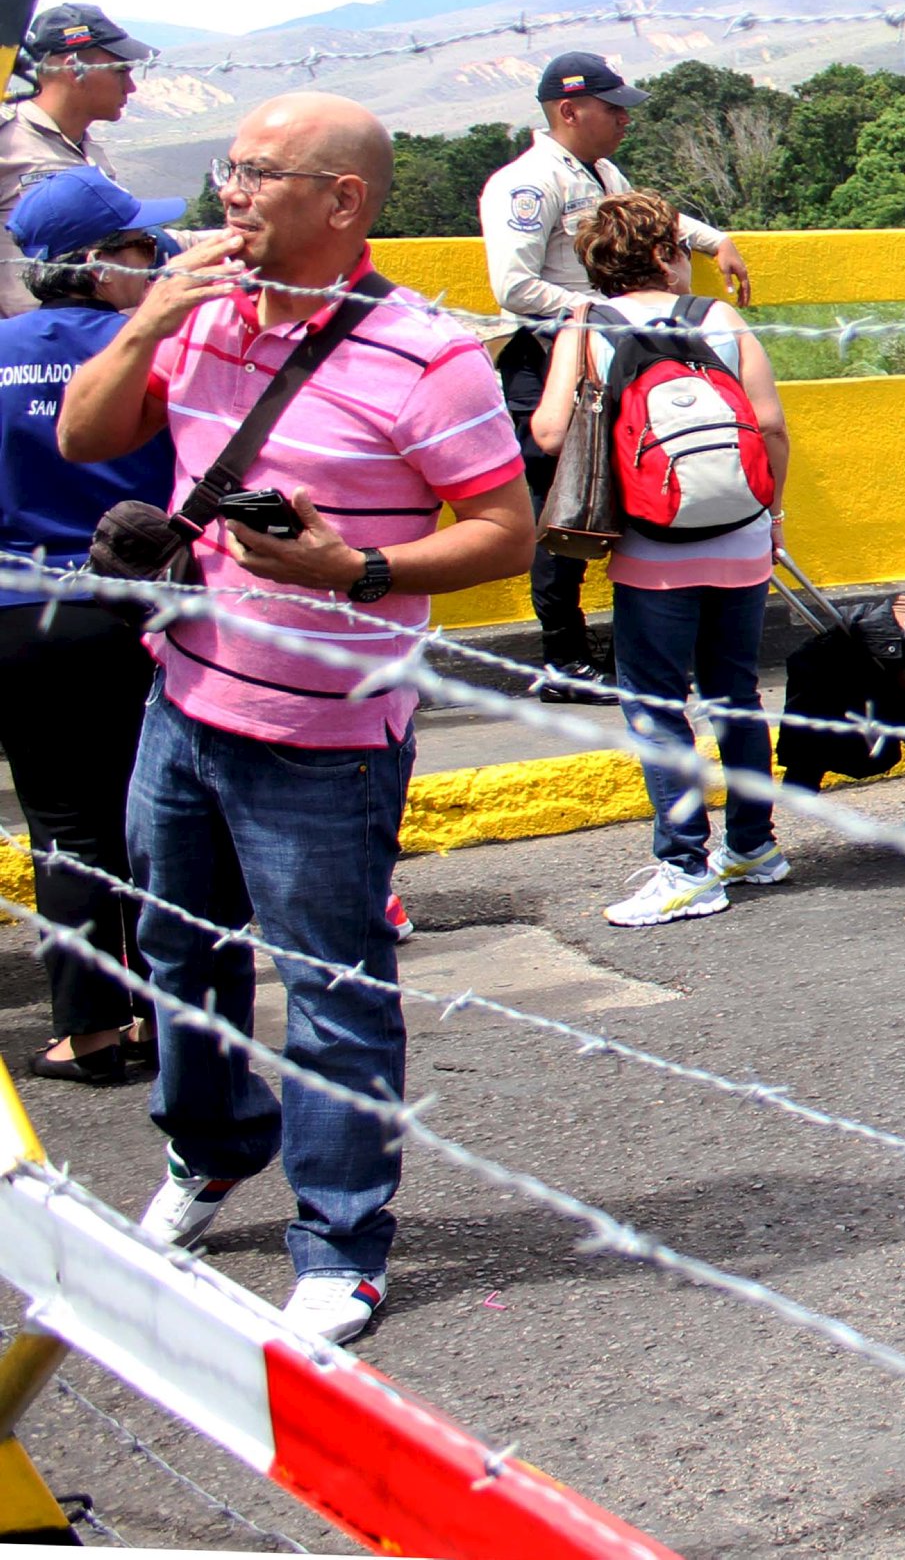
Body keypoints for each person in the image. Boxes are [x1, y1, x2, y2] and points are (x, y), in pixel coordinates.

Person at [60, 92, 537, 1346]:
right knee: (178, 953)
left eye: (260, 174)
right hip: (184, 697)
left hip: (325, 734)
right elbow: (85, 431)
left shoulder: (428, 353)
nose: (231, 194)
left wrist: (356, 573)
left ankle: (340, 1240)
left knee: (330, 987)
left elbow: (505, 530)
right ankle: (209, 1149)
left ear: (344, 200)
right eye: (229, 169)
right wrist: (149, 321)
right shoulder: (202, 313)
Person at [526, 192, 794, 927]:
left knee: (656, 709)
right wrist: (770, 522)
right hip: (740, 539)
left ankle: (684, 868)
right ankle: (754, 848)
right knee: (735, 696)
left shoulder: (588, 325)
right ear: (669, 255)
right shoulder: (719, 319)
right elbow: (769, 426)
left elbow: (549, 434)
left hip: (652, 551)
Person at [480, 52, 754, 696]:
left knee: (619, 490)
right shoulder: (527, 183)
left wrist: (714, 240)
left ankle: (604, 645)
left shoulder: (598, 170)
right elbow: (514, 284)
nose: (624, 119)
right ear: (569, 110)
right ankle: (561, 655)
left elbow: (638, 221)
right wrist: (596, 313)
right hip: (556, 355)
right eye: (612, 108)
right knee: (565, 505)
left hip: (607, 351)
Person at [0, 171, 181, 1083]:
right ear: (98, 263)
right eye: (143, 249)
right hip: (139, 607)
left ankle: (88, 1031)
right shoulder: (153, 349)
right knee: (156, 819)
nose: (157, 264)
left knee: (65, 827)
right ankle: (170, 1018)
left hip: (21, 616)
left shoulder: (0, 350)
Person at [0, 6, 149, 317]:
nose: (131, 86)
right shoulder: (7, 142)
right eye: (121, 70)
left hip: (88, 340)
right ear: (75, 67)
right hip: (20, 351)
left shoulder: (90, 151)